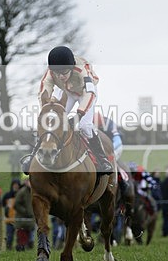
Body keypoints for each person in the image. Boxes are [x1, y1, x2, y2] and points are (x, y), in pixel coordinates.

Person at [26, 45, 111, 174]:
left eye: (64, 72)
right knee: (51, 121)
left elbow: (90, 94)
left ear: (71, 68)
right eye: (57, 73)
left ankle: (102, 159)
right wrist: (46, 110)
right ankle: (33, 155)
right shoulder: (50, 73)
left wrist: (78, 115)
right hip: (68, 92)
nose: (60, 76)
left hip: (86, 92)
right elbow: (43, 92)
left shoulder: (83, 70)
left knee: (84, 126)